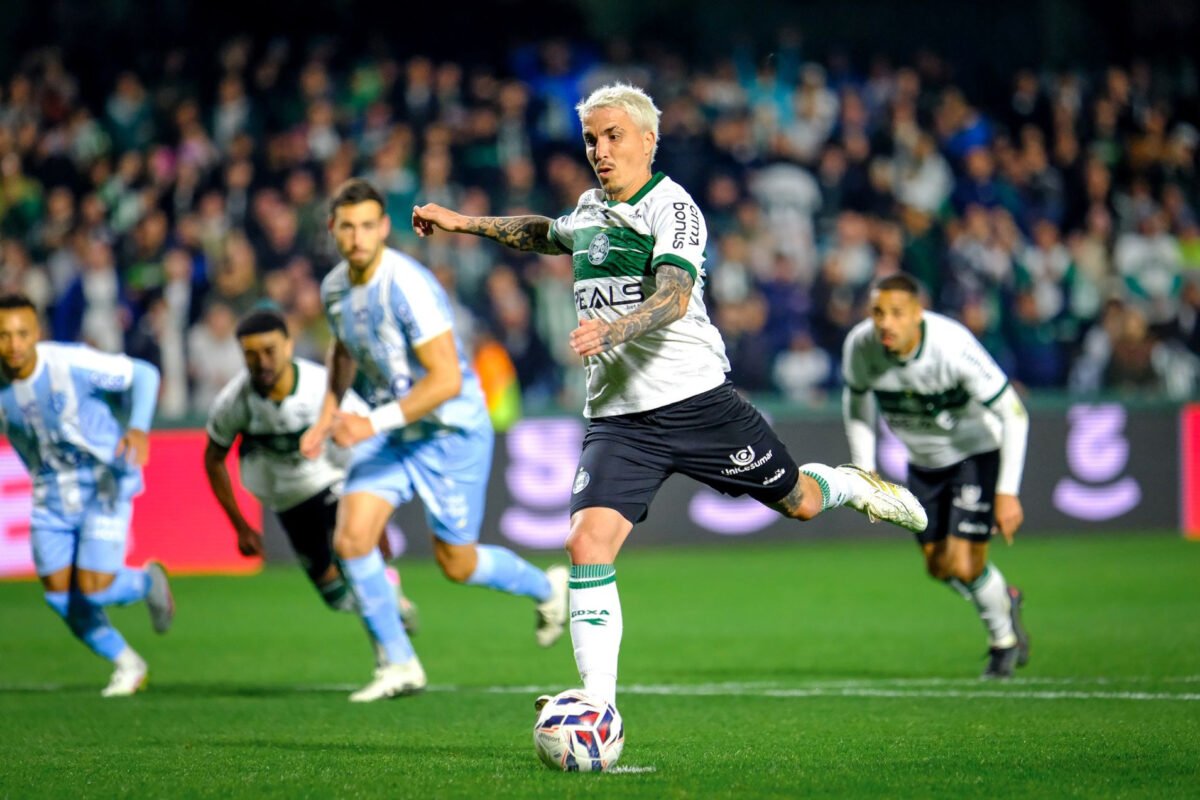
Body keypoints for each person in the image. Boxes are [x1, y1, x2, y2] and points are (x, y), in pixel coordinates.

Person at [411, 83, 928, 709]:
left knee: (801, 501)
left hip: (697, 403)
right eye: (591, 139)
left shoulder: (673, 207)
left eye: (613, 136)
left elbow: (674, 295)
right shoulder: (590, 208)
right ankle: (598, 705)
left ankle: (851, 485)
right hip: (618, 418)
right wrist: (463, 222)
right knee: (585, 544)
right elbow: (548, 233)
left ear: (648, 141)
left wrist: (613, 327)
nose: (599, 150)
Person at [299, 178, 569, 703]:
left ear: (383, 229)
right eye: (347, 226)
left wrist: (369, 423)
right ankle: (399, 663)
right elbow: (344, 352)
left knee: (457, 564)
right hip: (397, 432)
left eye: (367, 226)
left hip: (449, 432)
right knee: (351, 539)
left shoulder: (408, 286)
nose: (357, 237)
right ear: (333, 230)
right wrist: (326, 414)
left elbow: (445, 379)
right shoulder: (334, 290)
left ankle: (547, 587)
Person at [841, 273, 1031, 678]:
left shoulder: (953, 346)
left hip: (975, 455)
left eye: (897, 313)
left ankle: (1003, 643)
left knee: (963, 564)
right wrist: (864, 470)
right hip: (923, 463)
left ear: (918, 315)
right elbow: (856, 402)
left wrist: (1007, 492)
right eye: (878, 313)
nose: (885, 323)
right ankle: (1005, 598)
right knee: (938, 567)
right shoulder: (861, 346)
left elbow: (1013, 413)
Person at [203, 308, 419, 655]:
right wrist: (240, 525)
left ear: (289, 346)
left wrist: (374, 509)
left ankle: (393, 656)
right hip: (287, 501)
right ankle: (388, 598)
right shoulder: (234, 402)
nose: (261, 362)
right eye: (251, 354)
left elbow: (369, 440)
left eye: (269, 351)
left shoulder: (323, 388)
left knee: (352, 559)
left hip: (334, 481)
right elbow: (213, 459)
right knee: (335, 597)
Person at [0, 293, 174, 697]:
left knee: (95, 587)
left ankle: (147, 583)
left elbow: (144, 375)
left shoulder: (70, 363)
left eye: (22, 333)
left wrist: (139, 427)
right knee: (60, 598)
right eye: (4, 336)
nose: (13, 344)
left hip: (103, 483)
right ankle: (128, 664)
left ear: (37, 333)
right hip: (50, 497)